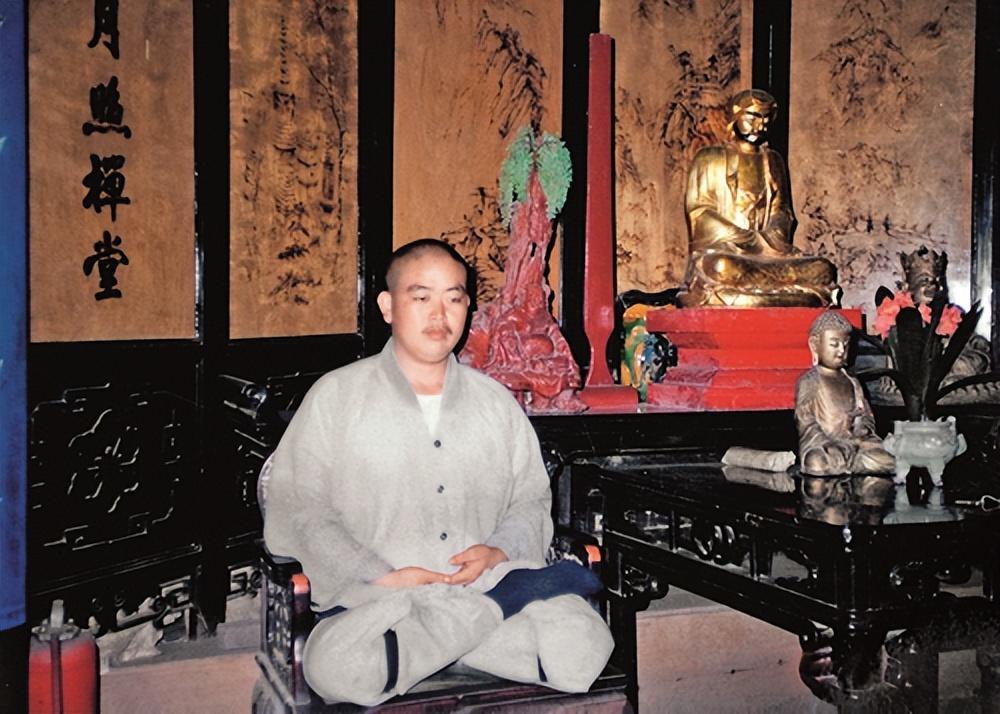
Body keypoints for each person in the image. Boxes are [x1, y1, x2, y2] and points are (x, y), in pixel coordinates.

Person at [263, 239, 614, 706]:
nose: (439, 314)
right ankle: (483, 625)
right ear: (388, 307)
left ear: (467, 307)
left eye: (453, 298)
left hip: (485, 581)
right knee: (338, 667)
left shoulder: (495, 402)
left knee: (585, 647)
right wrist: (379, 574)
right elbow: (300, 508)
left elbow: (530, 499)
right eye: (421, 297)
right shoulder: (336, 397)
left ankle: (439, 643)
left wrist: (498, 551)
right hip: (382, 602)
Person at [680, 89, 840, 307]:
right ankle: (782, 293)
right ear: (735, 116)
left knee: (822, 268)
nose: (760, 126)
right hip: (729, 251)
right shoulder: (709, 158)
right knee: (721, 266)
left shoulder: (773, 160)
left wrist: (770, 236)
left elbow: (782, 212)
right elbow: (699, 211)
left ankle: (753, 293)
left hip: (768, 252)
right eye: (752, 118)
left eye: (766, 120)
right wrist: (744, 237)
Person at [795, 311, 895, 476]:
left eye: (846, 344)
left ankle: (851, 463)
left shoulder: (852, 381)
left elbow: (866, 416)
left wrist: (861, 431)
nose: (841, 350)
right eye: (834, 344)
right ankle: (848, 463)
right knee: (816, 462)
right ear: (814, 345)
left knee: (887, 459)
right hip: (826, 447)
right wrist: (825, 442)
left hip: (854, 445)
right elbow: (805, 420)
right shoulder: (810, 380)